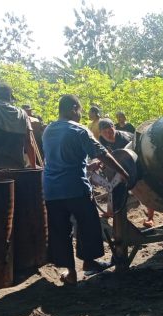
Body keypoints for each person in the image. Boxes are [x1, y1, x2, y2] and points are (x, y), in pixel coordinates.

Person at [43, 95, 130, 285]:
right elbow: (101, 153)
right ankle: (89, 262)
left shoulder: (48, 129)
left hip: (51, 189)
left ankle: (71, 272)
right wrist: (122, 171)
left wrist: (87, 167)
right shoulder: (79, 130)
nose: (81, 115)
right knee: (87, 224)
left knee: (60, 229)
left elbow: (61, 158)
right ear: (74, 108)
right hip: (74, 187)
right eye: (80, 111)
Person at [97, 118, 155, 227]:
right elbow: (104, 154)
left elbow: (136, 153)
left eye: (111, 131)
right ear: (100, 133)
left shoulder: (125, 139)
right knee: (112, 187)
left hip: (136, 163)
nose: (109, 134)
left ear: (114, 128)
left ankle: (150, 218)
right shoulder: (102, 140)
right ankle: (109, 212)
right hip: (118, 166)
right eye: (105, 133)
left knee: (145, 190)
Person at [0, 83, 39, 169]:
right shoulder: (22, 114)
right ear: (10, 97)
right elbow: (29, 142)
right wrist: (34, 166)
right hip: (16, 167)